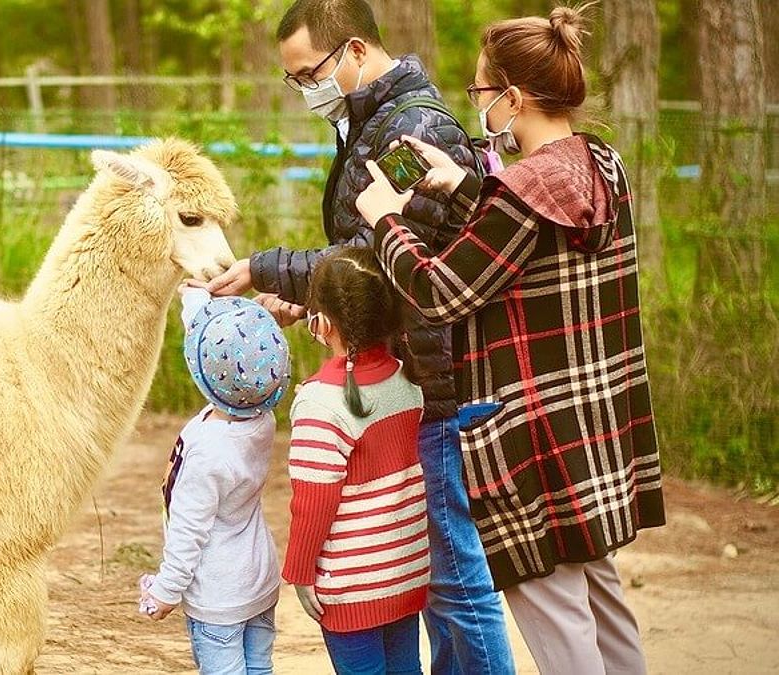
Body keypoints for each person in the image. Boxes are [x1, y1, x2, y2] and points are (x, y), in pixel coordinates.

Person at [201, 2, 515, 673]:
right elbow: (361, 257)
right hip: (410, 375)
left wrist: (267, 267)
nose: (305, 90)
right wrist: (307, 294)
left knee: (459, 587)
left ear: (352, 51)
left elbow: (382, 256)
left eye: (308, 73)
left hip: (439, 385)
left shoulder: (413, 130)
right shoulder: (371, 124)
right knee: (434, 583)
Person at [355, 6, 665, 674]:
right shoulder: (599, 165)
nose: (478, 108)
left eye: (479, 94)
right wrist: (469, 188)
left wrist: (386, 222)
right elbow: (539, 248)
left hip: (532, 444)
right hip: (593, 433)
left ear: (513, 98)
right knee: (603, 601)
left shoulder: (521, 192)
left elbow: (440, 289)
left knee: (557, 617)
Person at [283, 247, 426, 675]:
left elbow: (313, 502)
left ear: (321, 323)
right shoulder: (408, 380)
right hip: (404, 570)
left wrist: (300, 571)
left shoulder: (320, 403)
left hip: (350, 583)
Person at [141, 287, 291, 675]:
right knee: (260, 667)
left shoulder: (208, 453)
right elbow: (225, 347)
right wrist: (194, 298)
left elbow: (188, 530)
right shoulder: (260, 418)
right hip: (257, 580)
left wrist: (165, 591)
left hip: (218, 596)